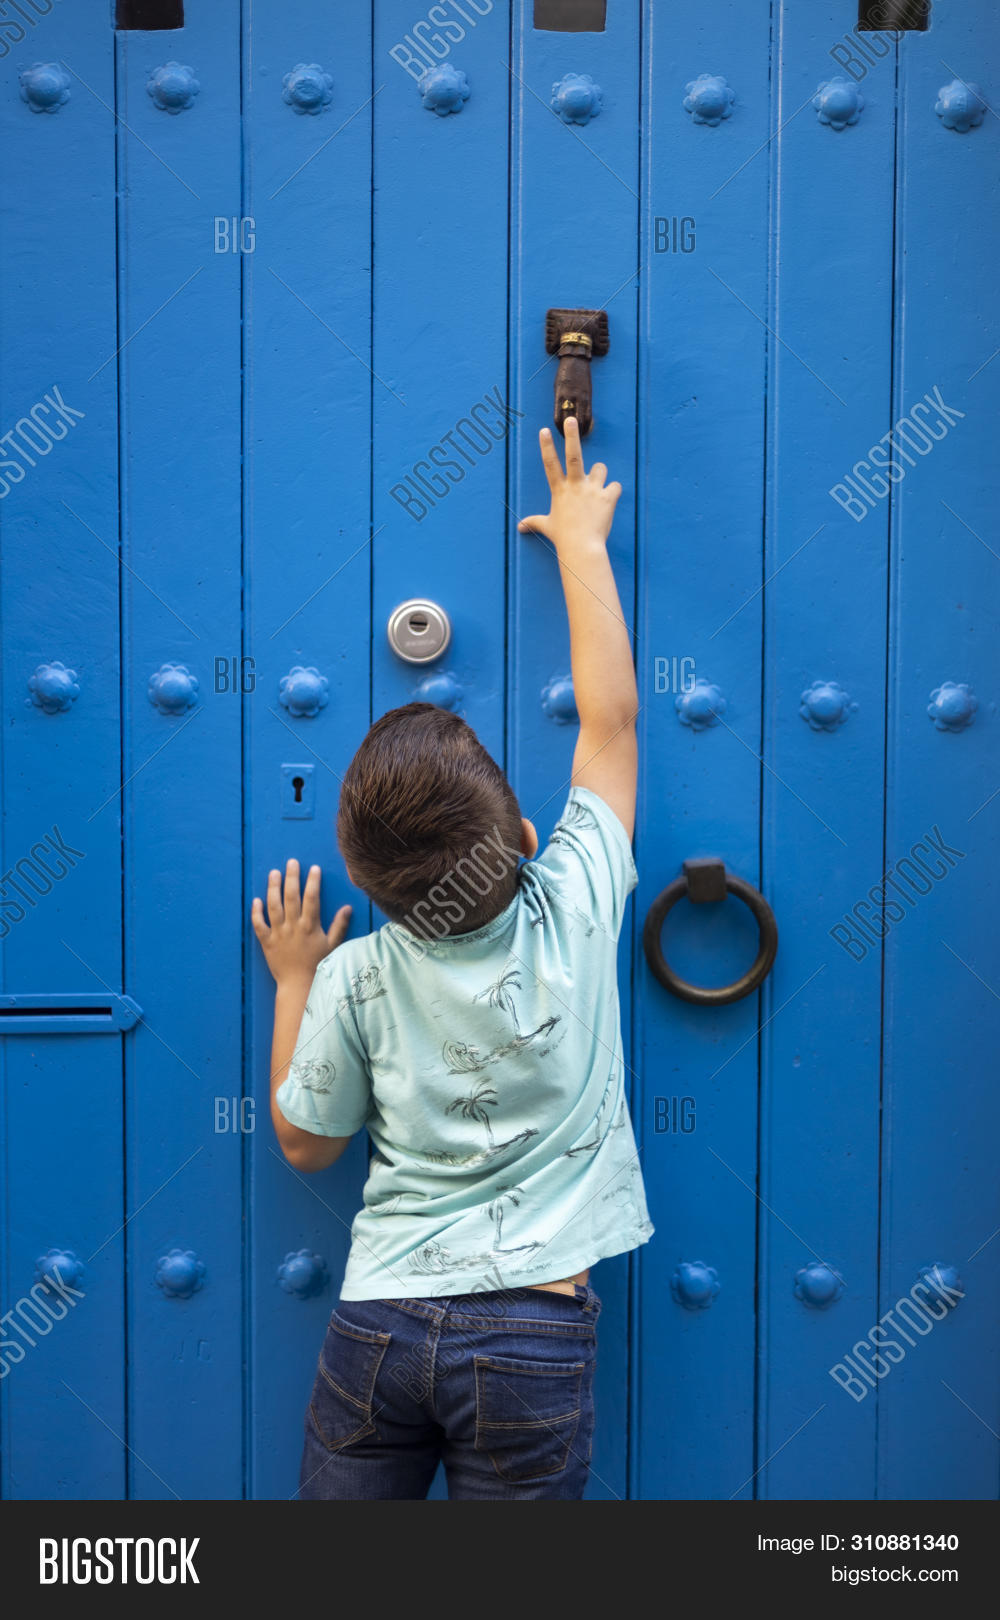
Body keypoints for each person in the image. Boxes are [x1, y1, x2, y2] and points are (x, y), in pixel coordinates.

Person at [252, 417, 652, 1499]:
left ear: (370, 888)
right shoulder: (573, 901)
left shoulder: (356, 975)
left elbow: (304, 1142)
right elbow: (611, 726)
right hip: (533, 1334)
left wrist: (294, 978)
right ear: (522, 835)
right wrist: (581, 543)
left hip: (378, 1325)